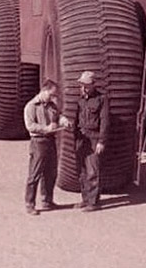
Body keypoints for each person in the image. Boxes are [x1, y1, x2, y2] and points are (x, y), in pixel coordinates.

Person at [23, 79, 71, 216]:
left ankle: (47, 200)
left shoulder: (51, 105)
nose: (53, 97)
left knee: (51, 172)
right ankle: (29, 203)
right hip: (38, 142)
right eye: (51, 94)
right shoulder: (31, 106)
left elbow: (58, 116)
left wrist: (64, 120)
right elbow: (30, 126)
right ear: (44, 91)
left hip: (50, 141)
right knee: (35, 173)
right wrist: (46, 128)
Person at [72, 71, 108, 212]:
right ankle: (85, 199)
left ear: (93, 85)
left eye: (86, 86)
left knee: (93, 171)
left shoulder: (101, 99)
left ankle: (93, 203)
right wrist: (74, 138)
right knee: (82, 171)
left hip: (94, 138)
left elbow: (105, 121)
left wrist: (101, 141)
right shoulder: (80, 99)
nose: (83, 88)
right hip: (81, 139)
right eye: (81, 85)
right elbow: (76, 120)